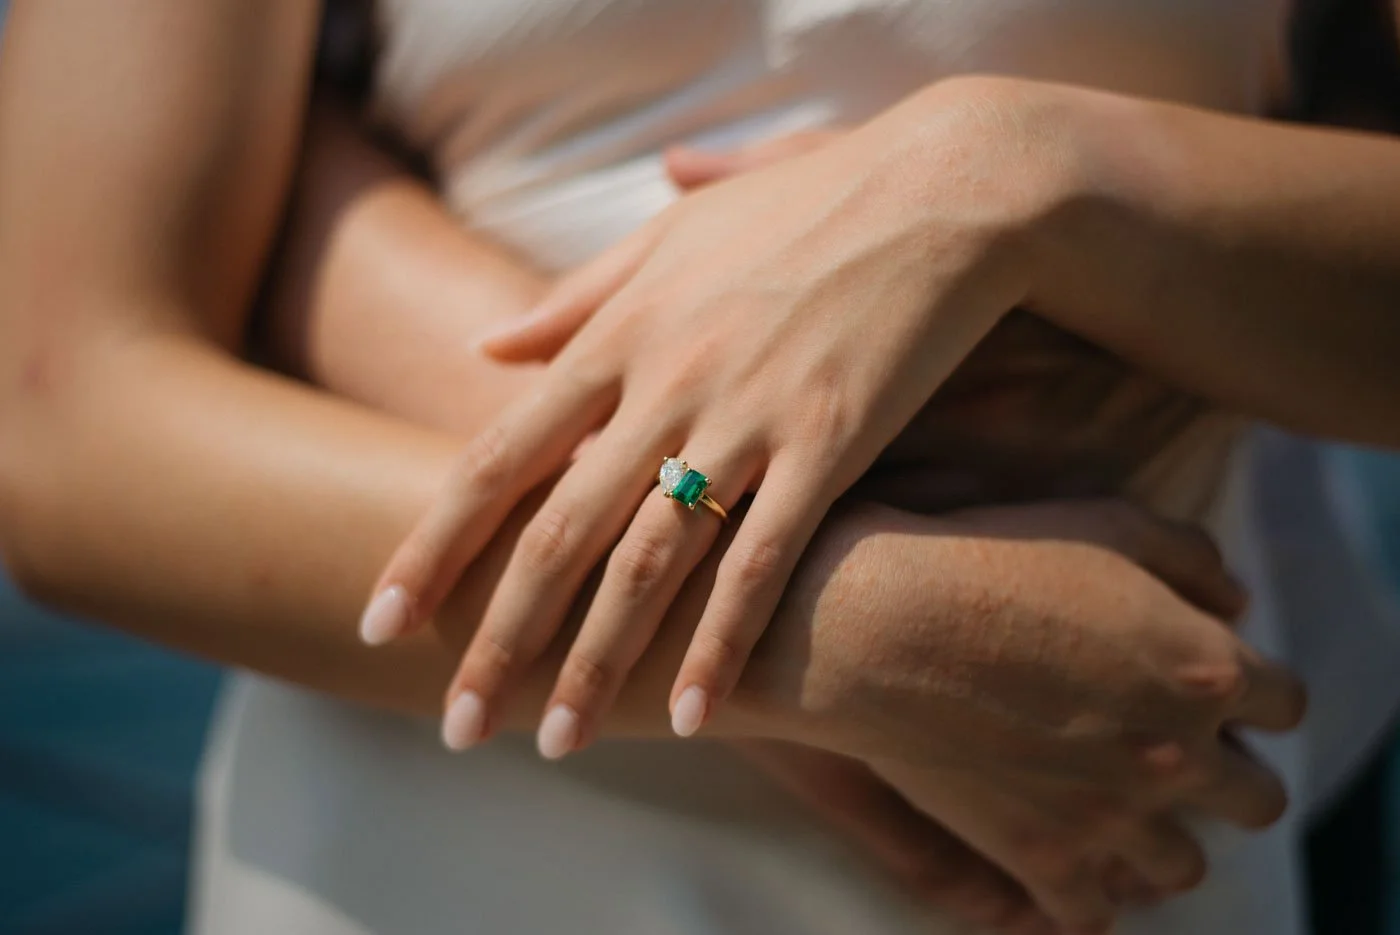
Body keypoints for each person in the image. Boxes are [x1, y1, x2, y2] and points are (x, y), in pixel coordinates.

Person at [0, 1, 1390, 934]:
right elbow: (65, 426)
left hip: (1106, 818)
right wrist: (846, 634)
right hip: (440, 854)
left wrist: (1019, 173)